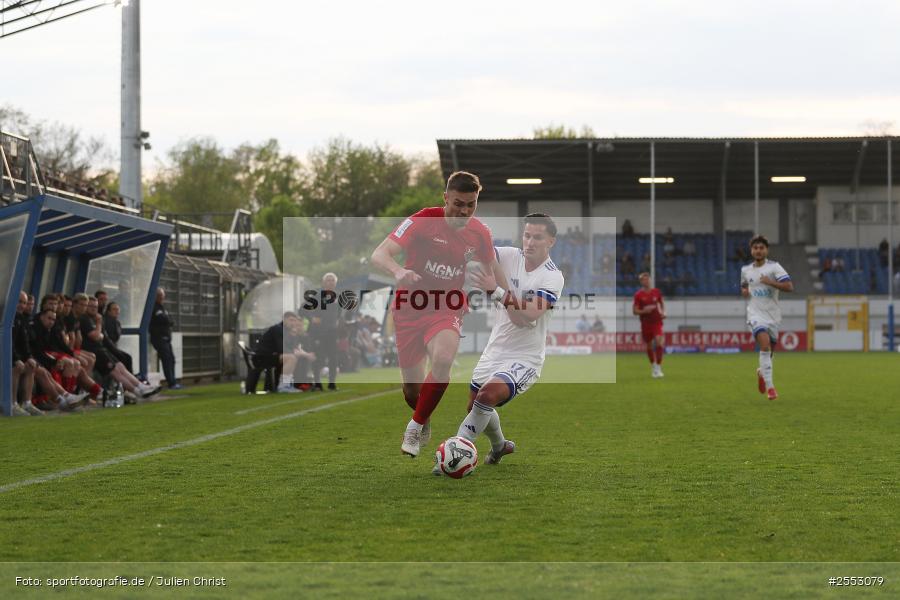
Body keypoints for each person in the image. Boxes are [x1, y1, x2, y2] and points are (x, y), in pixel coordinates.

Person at [370, 170, 500, 458]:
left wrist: (500, 290)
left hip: (448, 304)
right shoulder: (422, 220)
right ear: (445, 198)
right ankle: (422, 414)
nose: (464, 211)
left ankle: (414, 427)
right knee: (412, 393)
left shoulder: (480, 232)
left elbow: (493, 270)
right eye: (458, 203)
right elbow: (379, 254)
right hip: (410, 307)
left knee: (443, 358)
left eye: (471, 204)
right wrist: (399, 271)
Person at [444, 213, 564, 471]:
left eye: (537, 237)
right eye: (527, 235)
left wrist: (496, 291)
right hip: (495, 349)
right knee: (474, 406)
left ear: (551, 241)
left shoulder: (552, 277)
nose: (529, 242)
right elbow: (480, 252)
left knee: (487, 396)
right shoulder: (510, 256)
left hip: (525, 357)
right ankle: (500, 446)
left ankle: (454, 456)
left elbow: (530, 314)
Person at [740, 235, 793, 400]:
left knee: (769, 353)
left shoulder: (774, 267)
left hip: (773, 316)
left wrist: (770, 282)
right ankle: (771, 388)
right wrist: (745, 292)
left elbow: (789, 287)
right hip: (755, 314)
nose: (758, 250)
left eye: (761, 248)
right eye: (755, 248)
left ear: (766, 250)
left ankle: (761, 372)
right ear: (751, 250)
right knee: (764, 346)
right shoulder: (745, 270)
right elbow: (743, 286)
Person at [79, 295, 158, 400]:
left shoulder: (95, 318)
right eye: (90, 306)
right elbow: (96, 336)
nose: (94, 309)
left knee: (121, 366)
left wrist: (98, 333)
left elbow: (101, 337)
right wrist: (98, 325)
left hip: (101, 349)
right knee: (116, 371)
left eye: (95, 306)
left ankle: (141, 386)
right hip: (94, 351)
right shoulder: (86, 319)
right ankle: (137, 391)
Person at [254, 312, 316, 393]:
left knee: (296, 358)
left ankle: (296, 384)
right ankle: (284, 386)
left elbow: (294, 348)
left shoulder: (287, 331)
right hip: (262, 357)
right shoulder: (278, 329)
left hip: (272, 356)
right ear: (284, 319)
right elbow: (282, 349)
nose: (293, 323)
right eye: (291, 320)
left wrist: (305, 354)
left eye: (294, 321)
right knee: (291, 358)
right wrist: (302, 354)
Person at [302, 272, 343, 391]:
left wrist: (336, 321)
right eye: (328, 280)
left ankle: (332, 383)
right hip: (318, 332)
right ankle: (317, 382)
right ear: (323, 282)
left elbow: (339, 313)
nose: (330, 282)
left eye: (332, 280)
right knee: (319, 357)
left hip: (332, 332)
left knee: (333, 357)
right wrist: (312, 318)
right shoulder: (316, 295)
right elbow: (303, 310)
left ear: (335, 283)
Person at [633, 272, 666, 378]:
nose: (646, 281)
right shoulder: (638, 295)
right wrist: (644, 311)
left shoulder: (656, 292)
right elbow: (634, 311)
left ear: (650, 280)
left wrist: (663, 312)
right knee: (649, 345)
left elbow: (662, 303)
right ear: (641, 282)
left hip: (657, 322)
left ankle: (659, 367)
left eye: (647, 279)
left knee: (658, 342)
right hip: (645, 323)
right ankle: (653, 366)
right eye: (643, 279)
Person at [150, 288, 181, 389]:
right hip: (159, 338)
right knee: (167, 360)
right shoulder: (152, 307)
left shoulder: (163, 308)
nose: (162, 297)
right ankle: (171, 383)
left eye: (162, 295)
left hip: (166, 338)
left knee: (171, 359)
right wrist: (167, 321)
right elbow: (164, 320)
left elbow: (170, 320)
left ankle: (173, 381)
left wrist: (167, 321)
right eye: (159, 295)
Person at [102, 301, 134, 375]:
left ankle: (130, 380)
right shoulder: (105, 321)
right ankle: (129, 381)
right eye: (114, 309)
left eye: (118, 309)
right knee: (125, 358)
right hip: (108, 348)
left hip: (113, 347)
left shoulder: (117, 322)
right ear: (108, 311)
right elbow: (108, 339)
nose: (117, 311)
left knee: (127, 357)